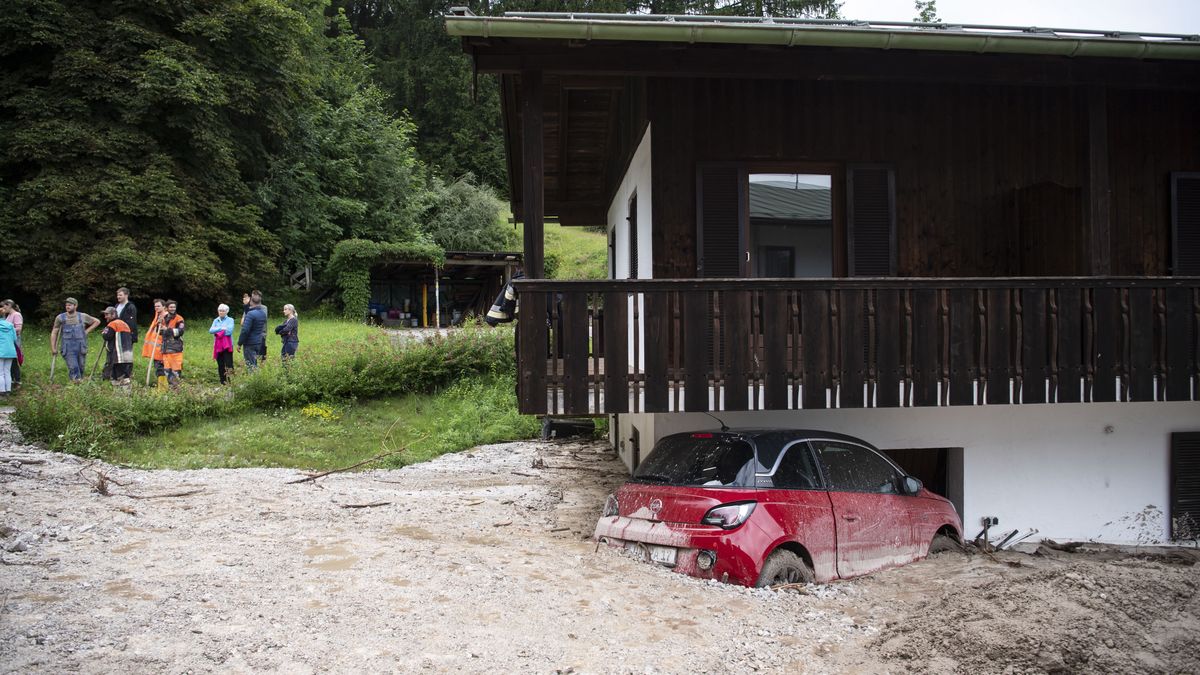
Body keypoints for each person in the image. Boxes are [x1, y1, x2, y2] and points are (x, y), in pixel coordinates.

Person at [49, 298, 100, 383]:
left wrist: (86, 331)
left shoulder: (82, 316)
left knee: (81, 367)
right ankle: (76, 384)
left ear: (75, 306)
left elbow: (97, 321)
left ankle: (79, 385)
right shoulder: (60, 317)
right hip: (68, 348)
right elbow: (54, 332)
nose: (67, 307)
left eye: (69, 305)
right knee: (74, 367)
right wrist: (53, 348)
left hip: (81, 347)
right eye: (66, 305)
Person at [100, 307, 134, 384]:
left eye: (107, 314)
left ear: (113, 314)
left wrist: (104, 333)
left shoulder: (112, 324)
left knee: (116, 375)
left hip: (117, 354)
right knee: (125, 375)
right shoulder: (124, 324)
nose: (105, 317)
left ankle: (115, 387)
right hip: (127, 354)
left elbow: (107, 336)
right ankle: (125, 388)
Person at [158, 300, 185, 389]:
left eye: (174, 307)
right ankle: (171, 391)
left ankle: (177, 391)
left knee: (176, 371)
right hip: (165, 349)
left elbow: (180, 332)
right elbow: (159, 332)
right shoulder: (163, 318)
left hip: (175, 349)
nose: (173, 308)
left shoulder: (179, 319)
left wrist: (167, 329)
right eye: (171, 307)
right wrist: (158, 325)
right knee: (167, 371)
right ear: (167, 308)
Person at [141, 299, 167, 387]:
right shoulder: (157, 316)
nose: (156, 308)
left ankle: (163, 388)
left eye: (158, 306)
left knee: (161, 368)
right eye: (155, 306)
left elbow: (167, 331)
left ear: (164, 307)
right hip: (155, 348)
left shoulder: (166, 317)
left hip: (162, 347)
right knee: (158, 367)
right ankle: (162, 387)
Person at [238, 292, 267, 370]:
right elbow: (252, 314)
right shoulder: (262, 313)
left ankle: (255, 378)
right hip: (258, 341)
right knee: (254, 364)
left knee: (251, 366)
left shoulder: (251, 314)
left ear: (251, 302)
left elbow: (245, 330)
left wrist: (239, 343)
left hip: (250, 343)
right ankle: (257, 376)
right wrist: (246, 306)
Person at [210, 303, 235, 384]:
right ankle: (223, 382)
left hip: (227, 346)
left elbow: (229, 331)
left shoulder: (230, 320)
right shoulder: (216, 320)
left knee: (229, 364)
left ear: (227, 311)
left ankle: (231, 382)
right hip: (218, 345)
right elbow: (211, 330)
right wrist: (222, 328)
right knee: (220, 364)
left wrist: (218, 331)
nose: (221, 312)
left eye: (223, 311)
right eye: (220, 310)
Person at [0, 300, 22, 388]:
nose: (3, 308)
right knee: (9, 364)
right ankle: (10, 381)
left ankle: (17, 380)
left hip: (13, 340)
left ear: (9, 305)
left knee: (14, 361)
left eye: (4, 306)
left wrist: (7, 332)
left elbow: (19, 328)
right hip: (8, 340)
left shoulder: (16, 315)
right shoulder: (9, 316)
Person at [0, 315, 15, 395]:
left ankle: (2, 391)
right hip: (10, 351)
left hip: (1, 351)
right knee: (7, 371)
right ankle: (8, 390)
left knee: (0, 372)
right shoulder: (11, 325)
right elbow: (14, 338)